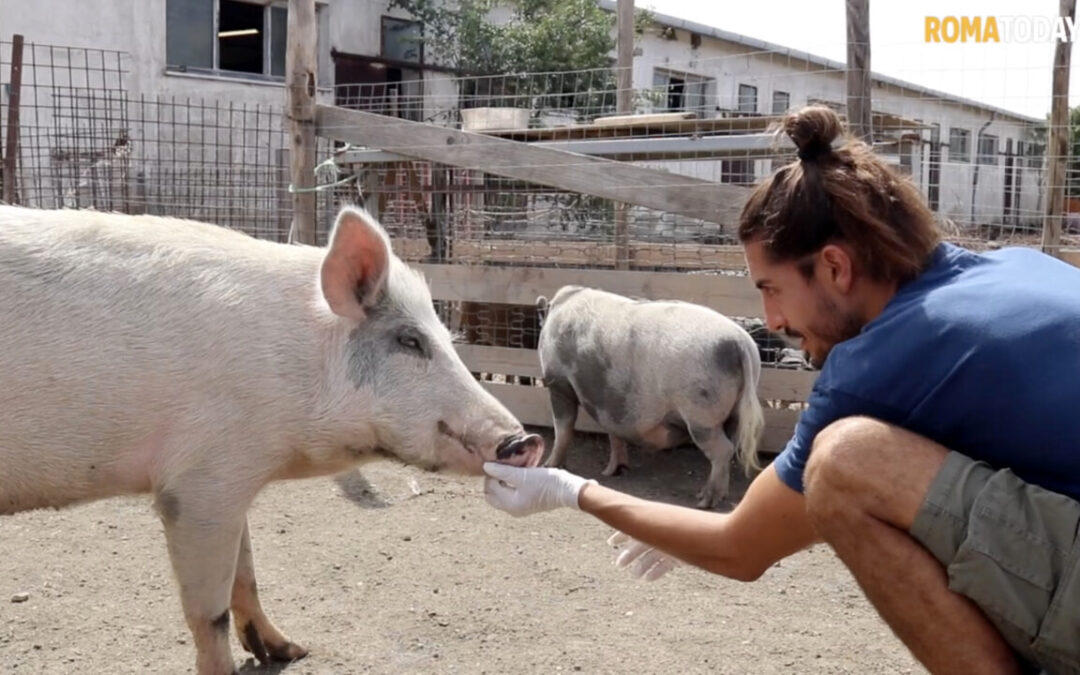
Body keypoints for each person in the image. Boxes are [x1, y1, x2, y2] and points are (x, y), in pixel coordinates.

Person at [481, 105, 1080, 675]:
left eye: (771, 288)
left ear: (835, 267)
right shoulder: (1018, 267)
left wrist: (571, 489)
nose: (770, 319)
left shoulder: (879, 359)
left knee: (846, 462)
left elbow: (741, 549)